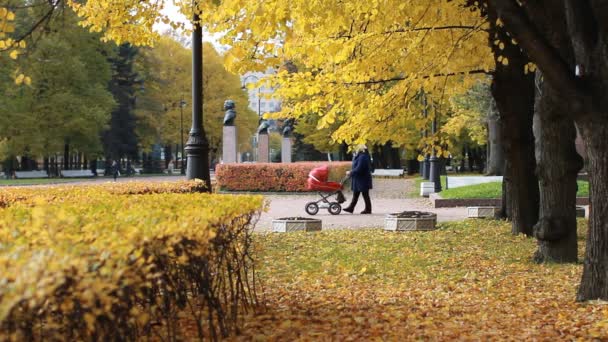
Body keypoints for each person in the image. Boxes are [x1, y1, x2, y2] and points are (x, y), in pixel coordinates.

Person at [343, 144, 373, 214]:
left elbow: (360, 168)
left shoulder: (363, 157)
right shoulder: (359, 156)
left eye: (357, 148)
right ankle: (351, 208)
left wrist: (350, 172)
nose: (355, 149)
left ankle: (368, 209)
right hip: (359, 179)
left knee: (365, 194)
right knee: (356, 194)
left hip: (362, 179)